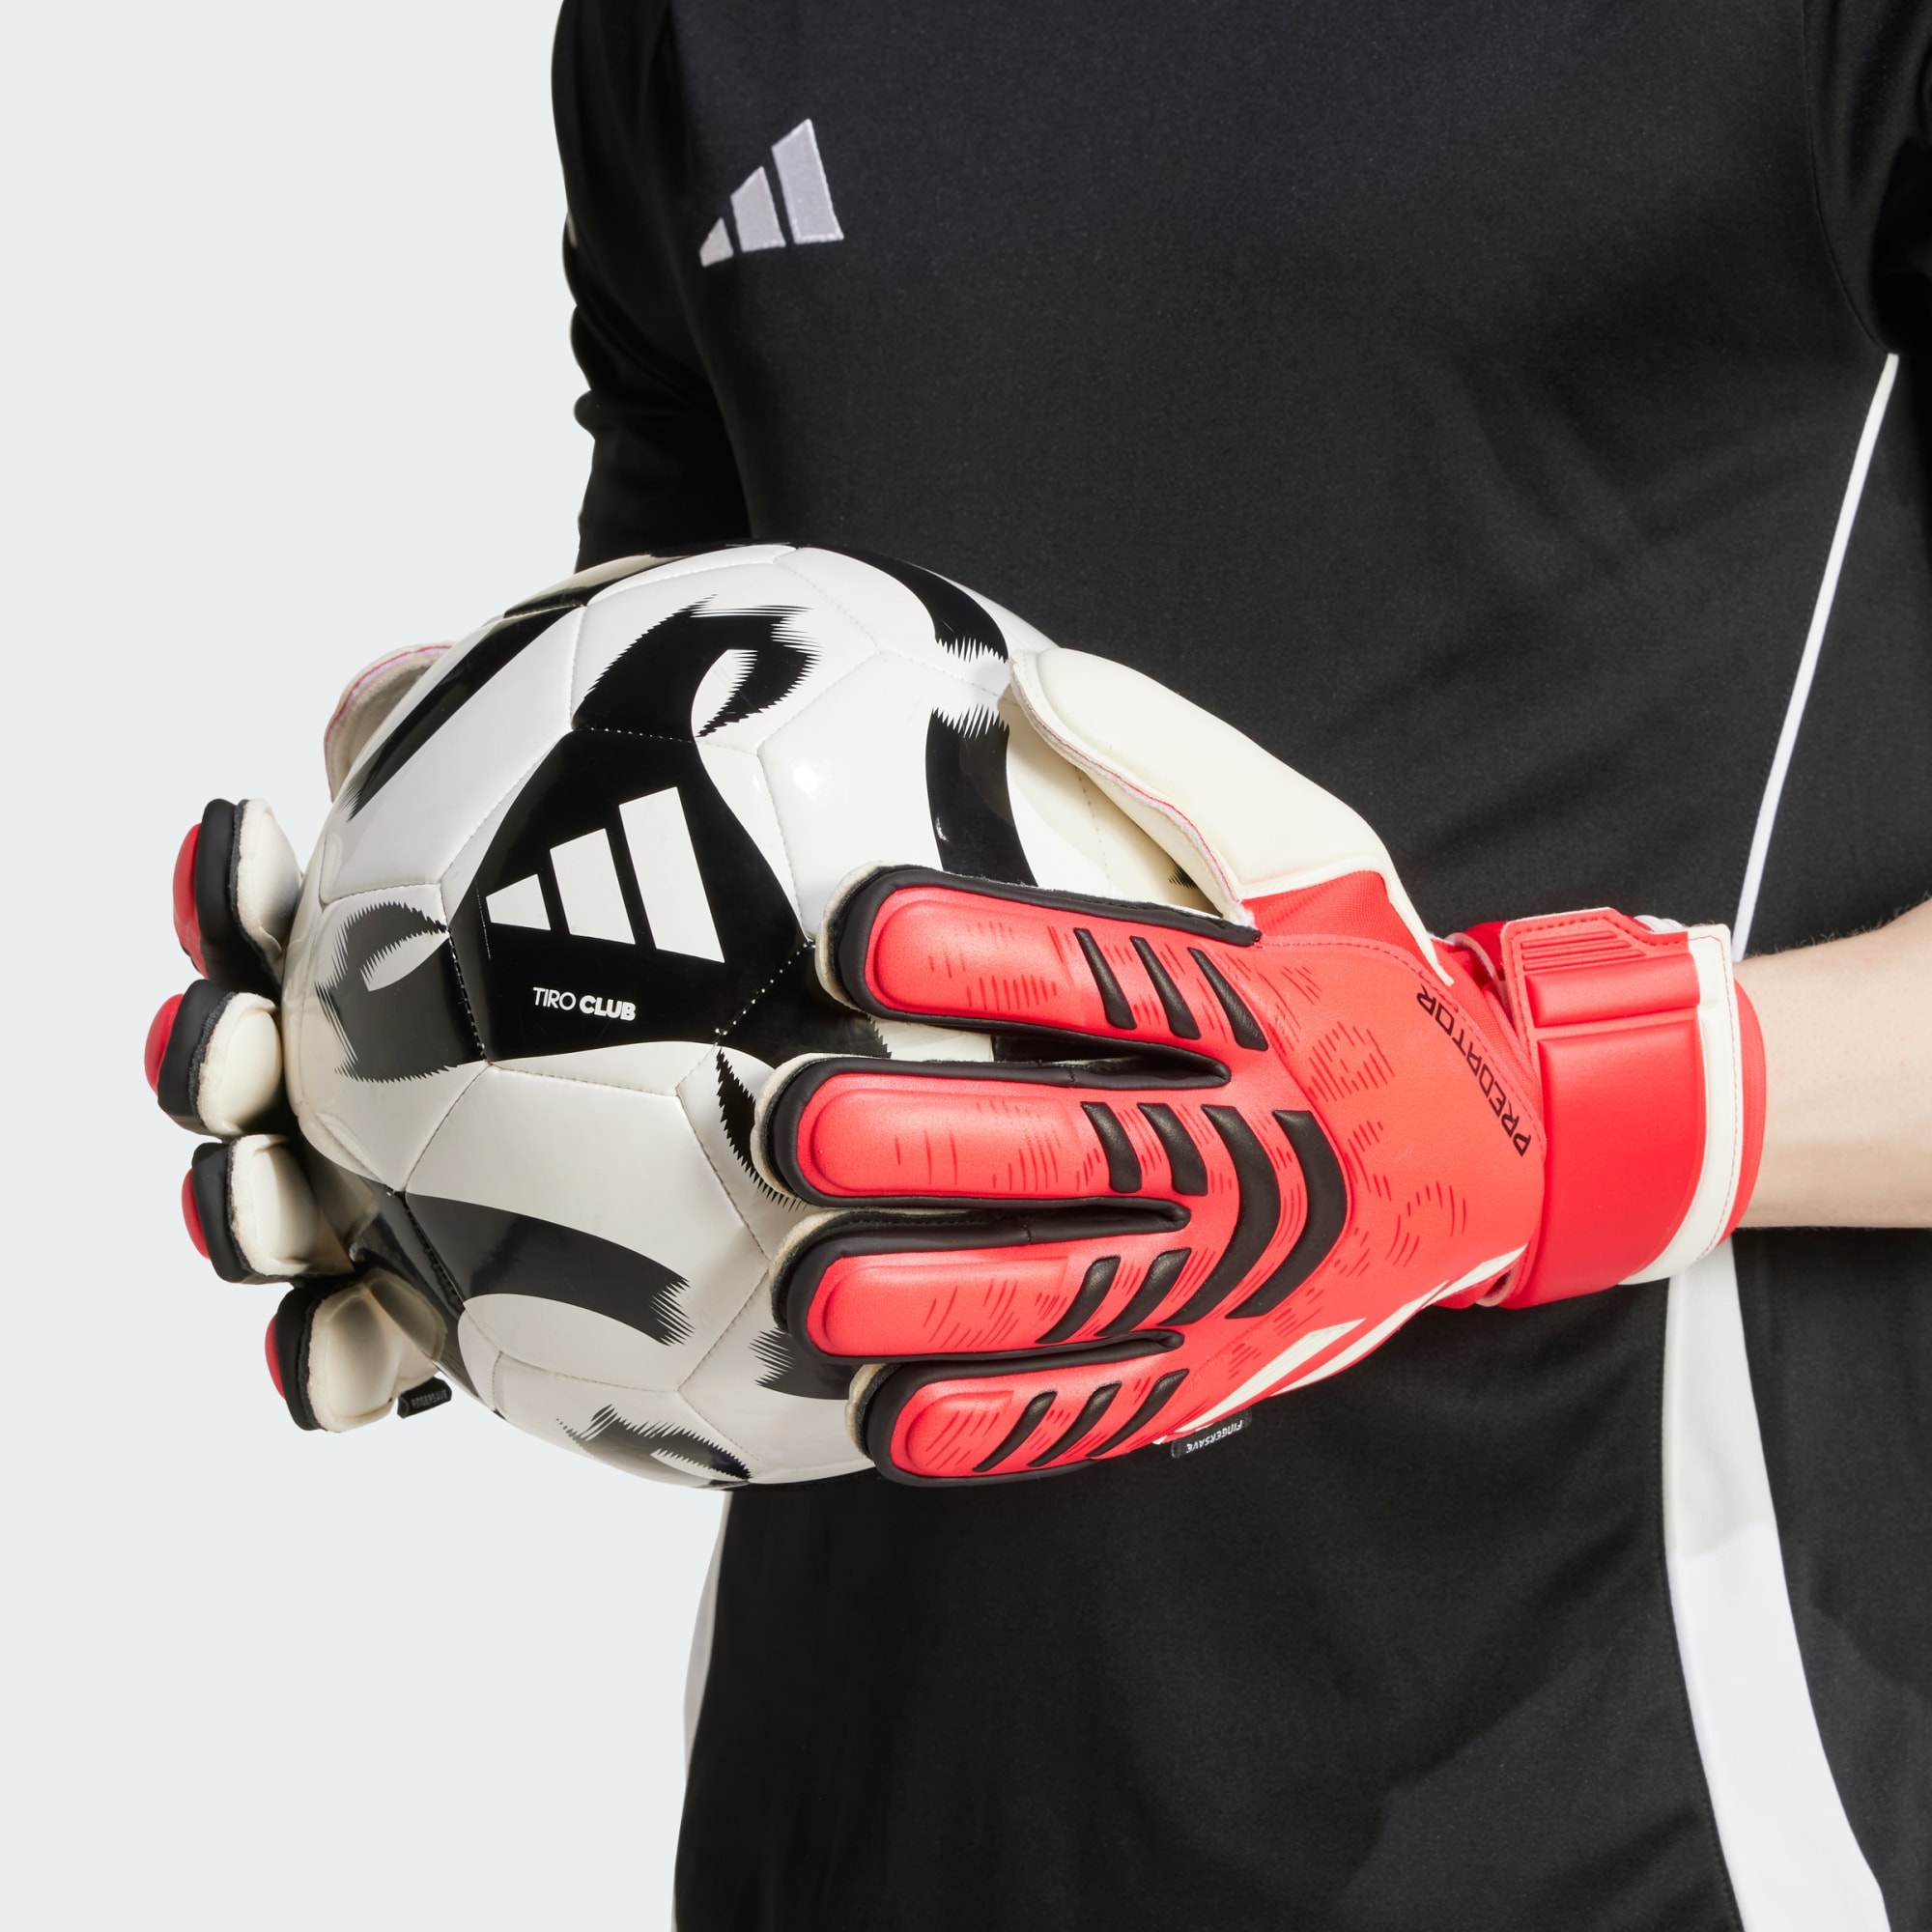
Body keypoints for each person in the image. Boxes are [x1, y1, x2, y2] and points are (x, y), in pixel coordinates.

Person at [166, 1, 1932, 1923]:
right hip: (847, 1826)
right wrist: (460, 1062)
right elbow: (730, 745)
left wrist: (1549, 1106)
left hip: (1630, 1812)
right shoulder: (682, 32)